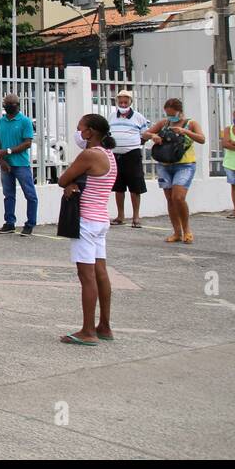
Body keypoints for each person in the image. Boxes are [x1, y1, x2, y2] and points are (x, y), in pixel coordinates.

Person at [57, 114, 118, 346]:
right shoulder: (109, 156)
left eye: (79, 128)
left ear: (90, 132)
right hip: (100, 219)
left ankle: (88, 330)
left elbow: (63, 179)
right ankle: (104, 326)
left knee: (86, 276)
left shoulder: (89, 155)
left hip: (86, 221)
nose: (78, 133)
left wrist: (70, 183)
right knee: (101, 273)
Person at [143, 97, 204, 244]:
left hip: (185, 165)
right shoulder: (164, 124)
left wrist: (184, 131)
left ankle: (186, 229)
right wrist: (153, 136)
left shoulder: (191, 123)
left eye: (172, 113)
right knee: (170, 199)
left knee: (178, 197)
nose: (170, 116)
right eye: (167, 113)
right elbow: (145, 134)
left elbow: (202, 139)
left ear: (180, 111)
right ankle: (176, 232)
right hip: (164, 165)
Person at [0, 93, 37, 236]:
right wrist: (2, 161)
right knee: (8, 195)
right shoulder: (0, 122)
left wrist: (7, 152)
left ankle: (30, 224)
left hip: (21, 164)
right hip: (6, 164)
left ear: (17, 105)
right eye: (5, 104)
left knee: (30, 195)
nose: (7, 107)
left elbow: (27, 143)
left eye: (11, 104)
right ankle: (9, 223)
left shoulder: (25, 121)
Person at [106, 90, 150, 228]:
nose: (123, 104)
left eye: (125, 102)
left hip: (132, 154)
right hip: (115, 155)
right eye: (120, 102)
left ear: (131, 102)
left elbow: (145, 134)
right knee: (118, 187)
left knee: (135, 187)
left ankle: (136, 216)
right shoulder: (112, 116)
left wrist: (134, 143)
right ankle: (120, 216)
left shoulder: (138, 117)